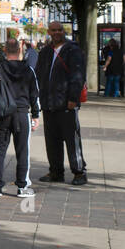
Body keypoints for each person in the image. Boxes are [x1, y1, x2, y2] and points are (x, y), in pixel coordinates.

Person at [0, 38, 40, 197]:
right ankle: (22, 186)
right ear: (20, 50)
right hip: (21, 113)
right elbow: (34, 94)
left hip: (2, 114)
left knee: (0, 150)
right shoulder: (28, 70)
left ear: (5, 51)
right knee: (22, 151)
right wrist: (35, 115)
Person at [35, 21, 87, 186]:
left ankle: (79, 172)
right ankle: (56, 171)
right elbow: (38, 75)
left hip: (66, 103)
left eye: (59, 30)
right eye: (53, 30)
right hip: (49, 103)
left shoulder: (73, 50)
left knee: (72, 139)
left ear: (63, 31)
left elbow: (77, 76)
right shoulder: (45, 52)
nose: (57, 33)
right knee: (52, 140)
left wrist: (73, 98)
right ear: (48, 32)